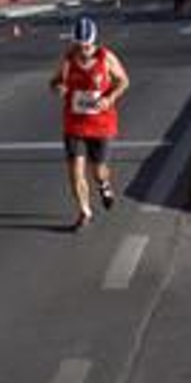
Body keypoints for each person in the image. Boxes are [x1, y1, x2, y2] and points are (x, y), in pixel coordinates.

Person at [50, 16, 130, 232]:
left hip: (101, 122)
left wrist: (110, 98)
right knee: (76, 172)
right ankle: (85, 212)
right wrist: (58, 87)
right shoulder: (68, 60)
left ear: (94, 41)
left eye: (87, 44)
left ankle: (104, 185)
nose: (83, 49)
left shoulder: (106, 58)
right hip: (74, 123)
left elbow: (124, 80)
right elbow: (54, 81)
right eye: (79, 44)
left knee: (98, 170)